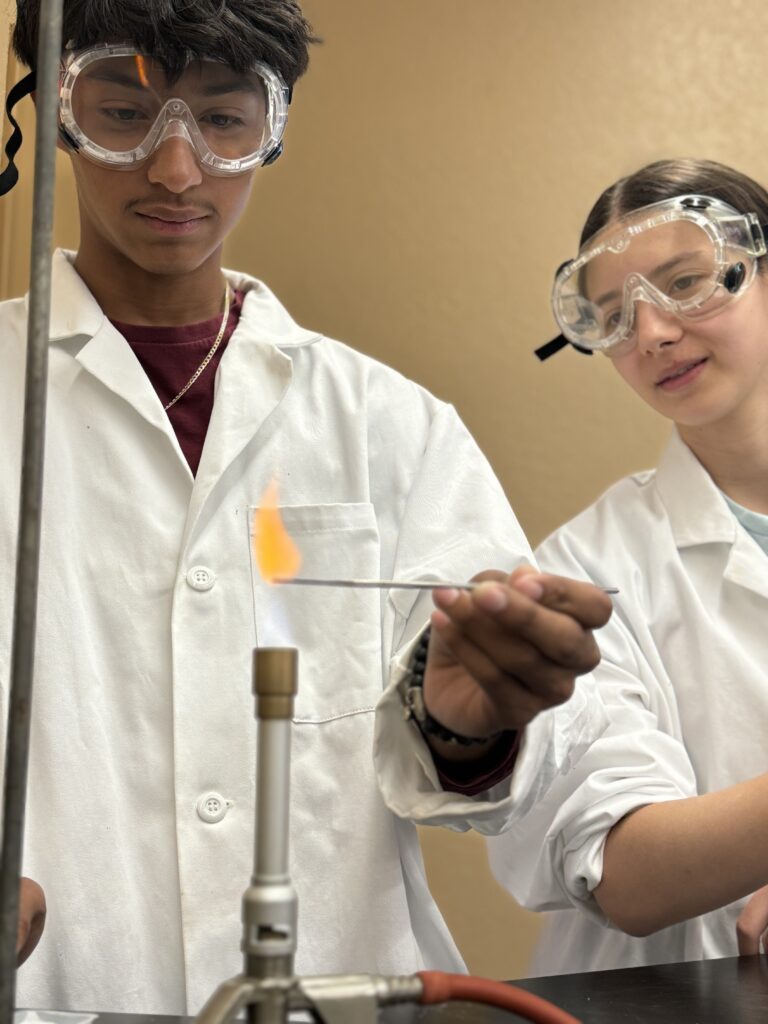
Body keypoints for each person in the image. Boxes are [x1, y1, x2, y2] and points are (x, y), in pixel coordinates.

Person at [1, 0, 612, 1013]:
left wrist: (462, 723)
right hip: (62, 986)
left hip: (340, 982)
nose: (176, 169)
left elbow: (519, 771)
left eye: (224, 121)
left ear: (271, 127)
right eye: (124, 112)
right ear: (55, 112)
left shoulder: (392, 425)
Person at [489, 157, 768, 974]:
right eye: (612, 315)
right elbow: (628, 875)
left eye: (685, 283)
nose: (651, 333)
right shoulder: (584, 571)